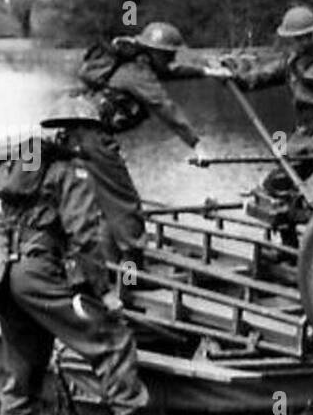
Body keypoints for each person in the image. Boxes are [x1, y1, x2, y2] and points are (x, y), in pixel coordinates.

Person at [0, 101, 185, 415]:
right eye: (97, 133)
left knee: (23, 365)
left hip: (4, 270)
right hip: (39, 271)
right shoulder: (71, 172)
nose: (102, 139)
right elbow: (85, 238)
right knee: (112, 338)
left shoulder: (29, 166)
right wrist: (103, 292)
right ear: (83, 132)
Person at [73, 20, 220, 264]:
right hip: (93, 138)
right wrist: (197, 145)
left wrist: (205, 71)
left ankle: (112, 267)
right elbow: (166, 108)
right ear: (155, 53)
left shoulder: (134, 64)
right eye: (168, 55)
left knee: (108, 203)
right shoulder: (139, 74)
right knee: (125, 203)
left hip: (80, 132)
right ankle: (134, 275)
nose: (171, 59)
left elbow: (170, 72)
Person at [221, 4, 313, 200]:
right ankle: (284, 199)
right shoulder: (291, 62)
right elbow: (257, 78)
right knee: (279, 177)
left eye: (306, 37)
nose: (303, 42)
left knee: (298, 173)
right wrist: (233, 73)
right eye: (298, 39)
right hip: (303, 129)